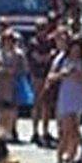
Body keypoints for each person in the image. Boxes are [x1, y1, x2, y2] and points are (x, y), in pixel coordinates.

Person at [49, 36, 82, 163]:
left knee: (74, 133)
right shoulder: (62, 60)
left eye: (78, 49)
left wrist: (80, 76)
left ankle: (71, 160)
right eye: (73, 48)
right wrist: (63, 74)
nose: (75, 51)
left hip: (79, 98)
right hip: (65, 98)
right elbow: (50, 77)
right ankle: (60, 161)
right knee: (67, 131)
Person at [0, 29, 27, 140]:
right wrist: (1, 70)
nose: (8, 42)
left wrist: (14, 71)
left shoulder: (19, 54)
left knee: (12, 109)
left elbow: (24, 69)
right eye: (6, 39)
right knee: (0, 109)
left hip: (13, 84)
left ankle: (10, 130)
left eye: (11, 40)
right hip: (0, 84)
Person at [28, 18, 57, 147]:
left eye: (44, 28)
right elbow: (38, 58)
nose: (42, 31)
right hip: (37, 76)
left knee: (47, 104)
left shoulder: (51, 42)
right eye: (40, 28)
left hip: (48, 75)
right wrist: (49, 56)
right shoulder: (33, 42)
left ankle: (45, 131)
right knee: (37, 103)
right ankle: (35, 131)